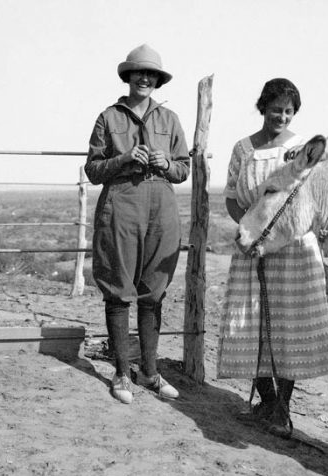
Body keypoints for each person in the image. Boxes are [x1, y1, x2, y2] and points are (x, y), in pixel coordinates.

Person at [217, 78, 328, 438]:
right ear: (262, 108)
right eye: (275, 108)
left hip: (295, 247)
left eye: (288, 110)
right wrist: (256, 235)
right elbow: (231, 198)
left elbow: (312, 198)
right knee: (250, 323)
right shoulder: (242, 149)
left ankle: (282, 408)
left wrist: (277, 237)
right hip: (253, 243)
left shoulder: (303, 149)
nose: (281, 116)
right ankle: (266, 401)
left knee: (290, 325)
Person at [85, 44, 190, 404]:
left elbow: (183, 169)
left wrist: (165, 164)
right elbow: (93, 170)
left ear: (158, 81)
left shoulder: (170, 119)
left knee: (153, 291)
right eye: (138, 73)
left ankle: (150, 372)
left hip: (161, 209)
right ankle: (121, 374)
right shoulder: (108, 117)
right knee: (118, 287)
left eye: (151, 75)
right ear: (128, 76)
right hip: (121, 206)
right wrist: (125, 159)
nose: (144, 78)